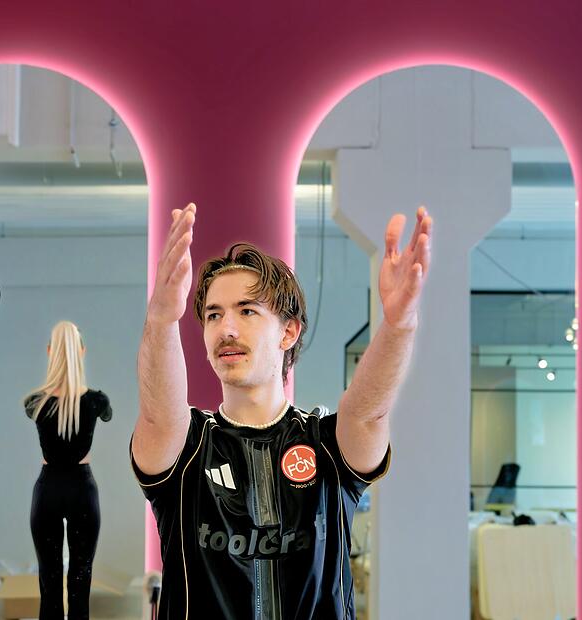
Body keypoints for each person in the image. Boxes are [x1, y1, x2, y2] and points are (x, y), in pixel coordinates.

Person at [131, 202, 432, 619]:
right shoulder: (188, 447)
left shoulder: (327, 445)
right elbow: (158, 415)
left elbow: (367, 413)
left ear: (288, 331)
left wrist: (399, 325)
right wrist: (162, 319)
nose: (226, 328)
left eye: (247, 311)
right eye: (213, 315)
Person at [23, 320, 113, 620]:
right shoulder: (97, 401)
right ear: (81, 351)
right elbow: (108, 415)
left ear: (50, 352)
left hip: (48, 490)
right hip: (82, 490)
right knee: (80, 577)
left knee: (49, 579)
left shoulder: (35, 403)